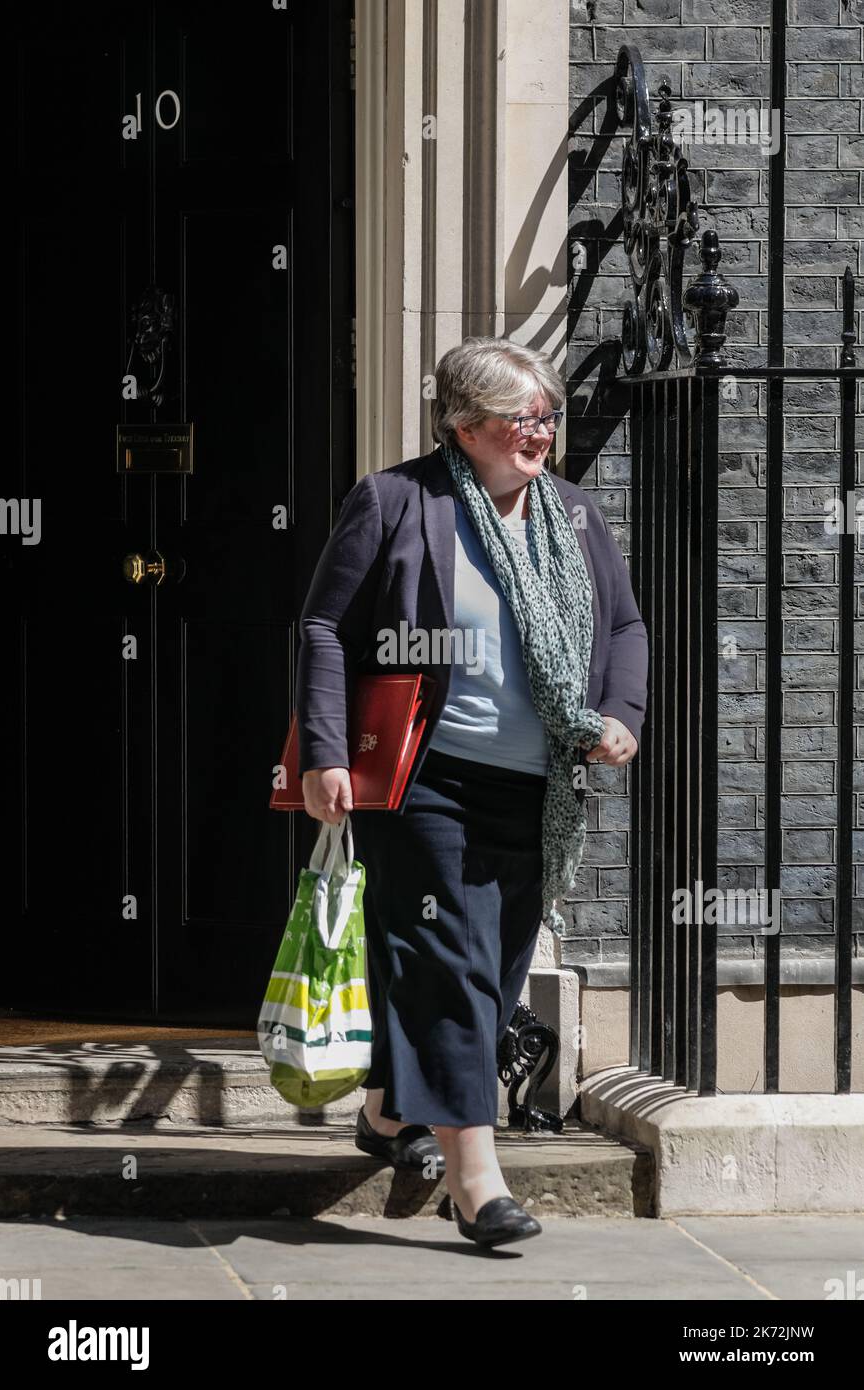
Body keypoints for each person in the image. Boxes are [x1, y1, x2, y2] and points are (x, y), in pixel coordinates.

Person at [296, 336, 648, 1247]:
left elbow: (623, 620)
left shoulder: (570, 514)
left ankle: (384, 1113)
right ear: (465, 425)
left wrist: (618, 711)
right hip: (425, 779)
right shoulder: (399, 500)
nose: (543, 432)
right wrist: (325, 749)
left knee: (488, 979)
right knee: (450, 966)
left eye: (548, 415)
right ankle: (477, 1182)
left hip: (534, 787)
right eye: (524, 418)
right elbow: (326, 624)